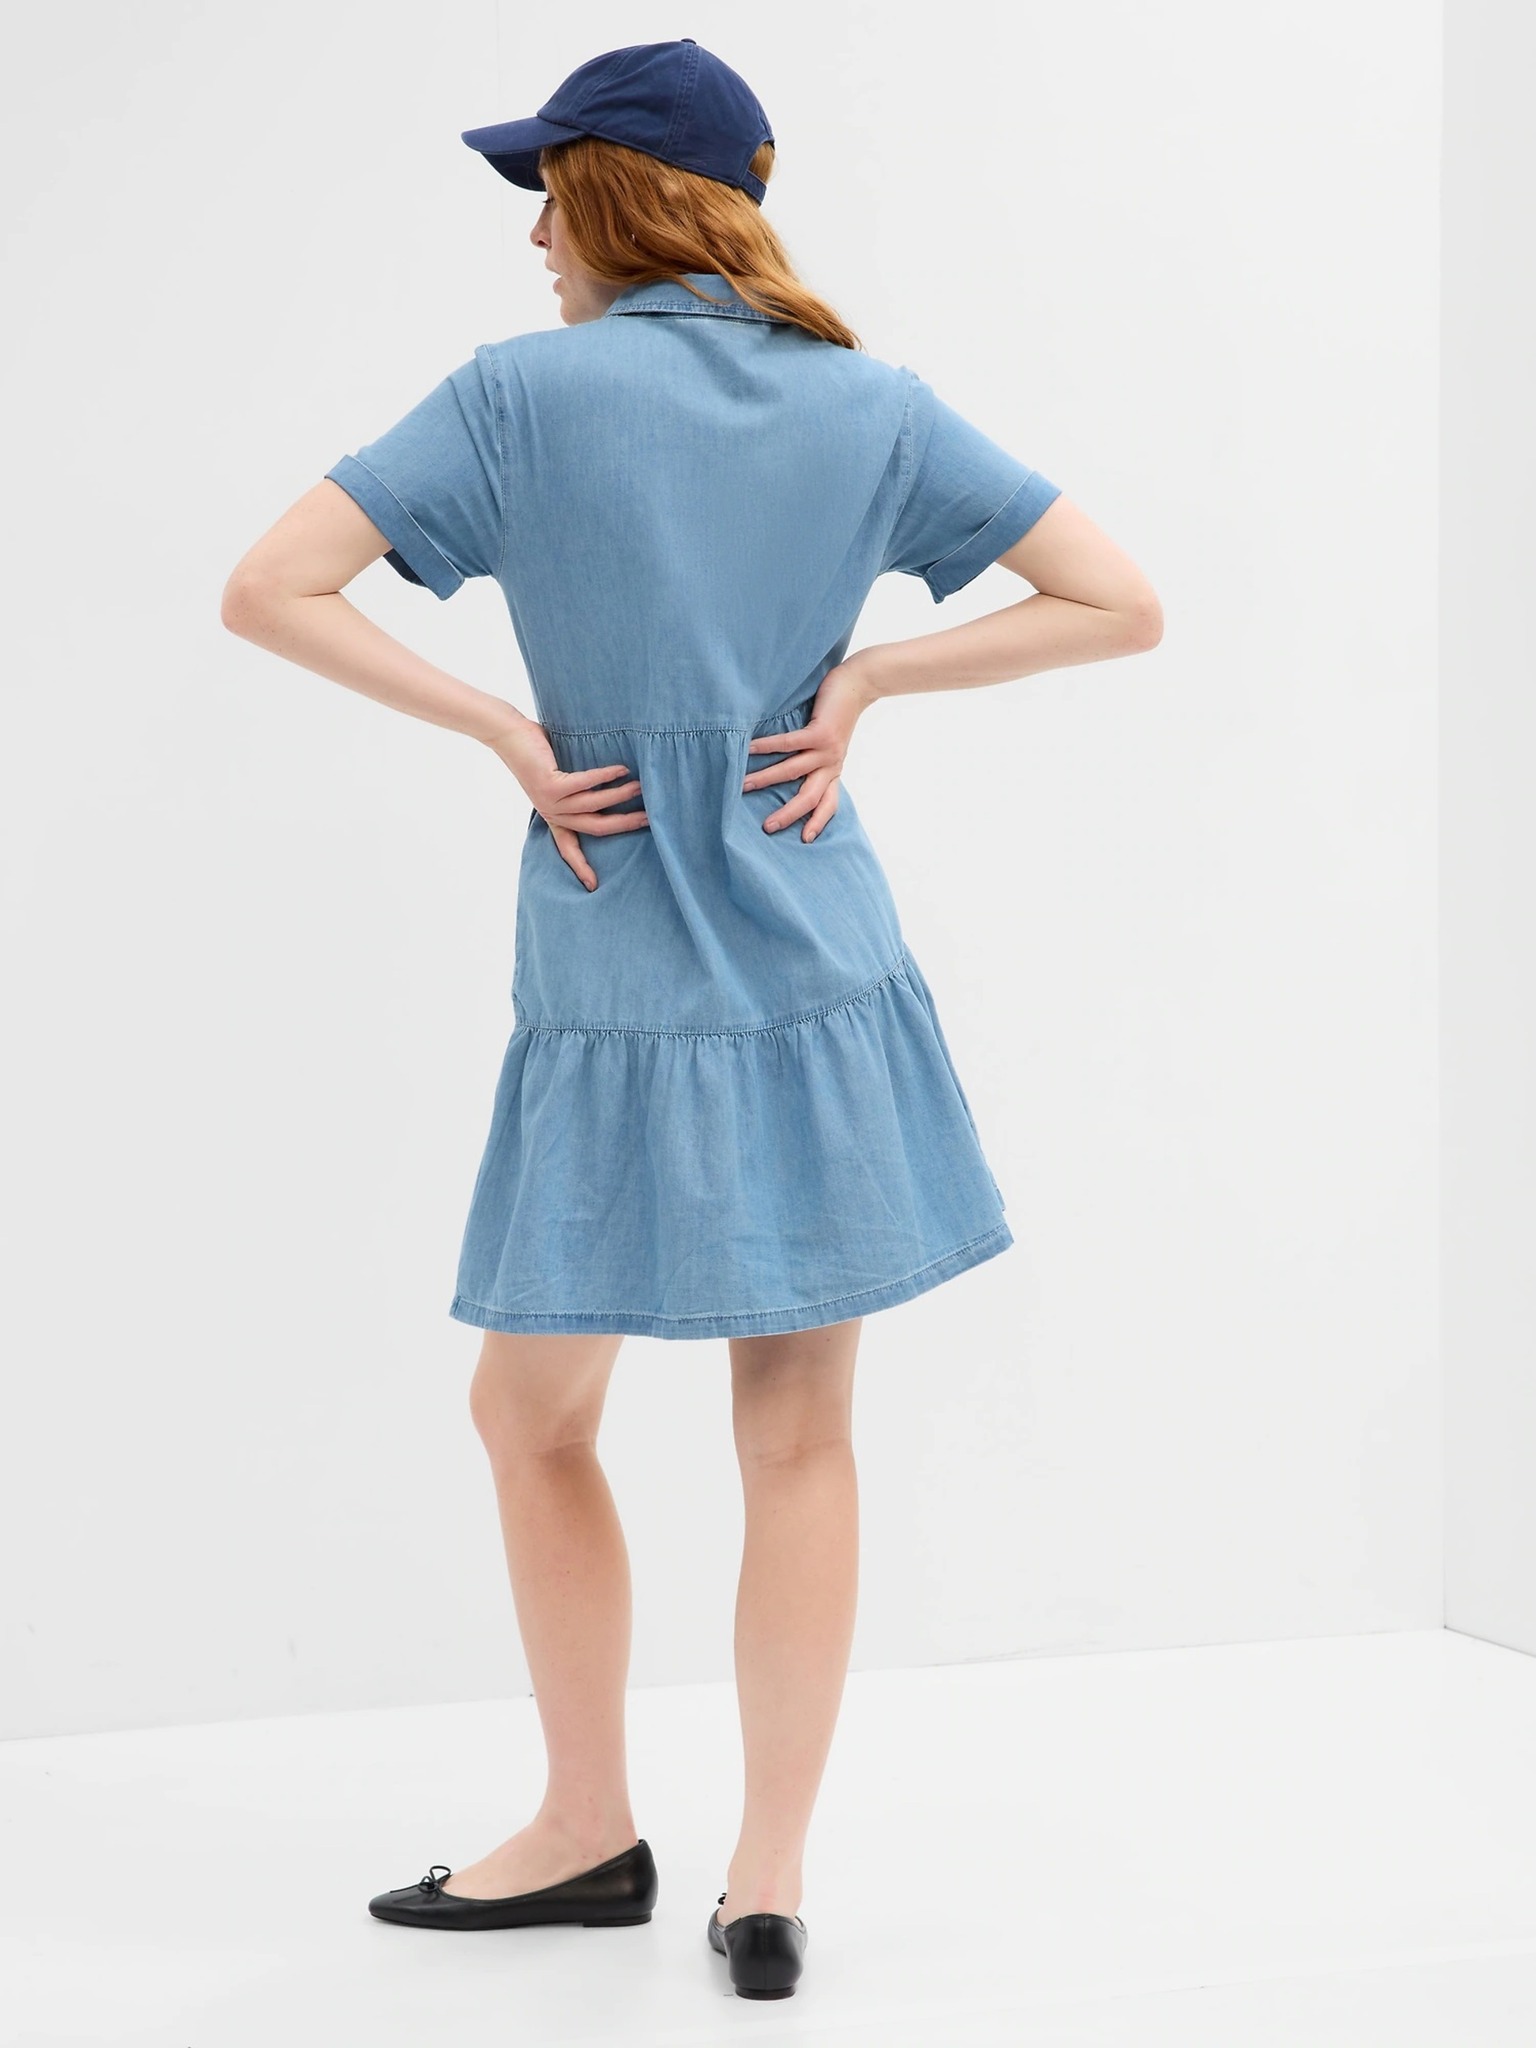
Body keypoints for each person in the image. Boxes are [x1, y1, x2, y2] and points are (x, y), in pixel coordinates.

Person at [220, 37, 1162, 2003]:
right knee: (798, 1437)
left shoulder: (518, 398)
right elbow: (1115, 599)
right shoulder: (865, 401)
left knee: (528, 1414)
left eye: (544, 199)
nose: (533, 241)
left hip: (611, 971)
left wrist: (506, 731)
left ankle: (585, 1825)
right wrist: (872, 679)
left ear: (608, 199)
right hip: (819, 968)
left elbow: (272, 586)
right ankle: (768, 1878)